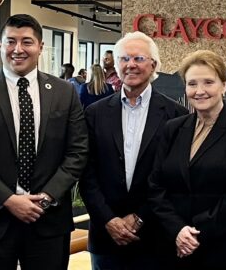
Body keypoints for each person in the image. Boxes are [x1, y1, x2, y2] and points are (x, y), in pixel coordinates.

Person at [0, 14, 89, 270]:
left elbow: (78, 151)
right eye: (11, 41)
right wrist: (9, 199)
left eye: (27, 42)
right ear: (0, 45)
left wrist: (46, 197)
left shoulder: (64, 92)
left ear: (40, 47)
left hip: (47, 219)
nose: (18, 49)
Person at [80, 32, 187, 270]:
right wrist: (108, 220)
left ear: (154, 65)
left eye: (139, 58)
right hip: (105, 235)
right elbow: (87, 174)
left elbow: (174, 178)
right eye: (124, 59)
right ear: (116, 66)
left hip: (155, 235)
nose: (131, 65)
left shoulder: (176, 115)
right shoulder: (94, 114)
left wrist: (140, 217)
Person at [148, 50, 226, 269]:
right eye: (192, 84)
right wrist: (178, 229)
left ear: (224, 86)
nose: (199, 91)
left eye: (208, 82)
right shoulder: (173, 128)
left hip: (224, 250)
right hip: (174, 246)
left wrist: (195, 232)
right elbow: (155, 186)